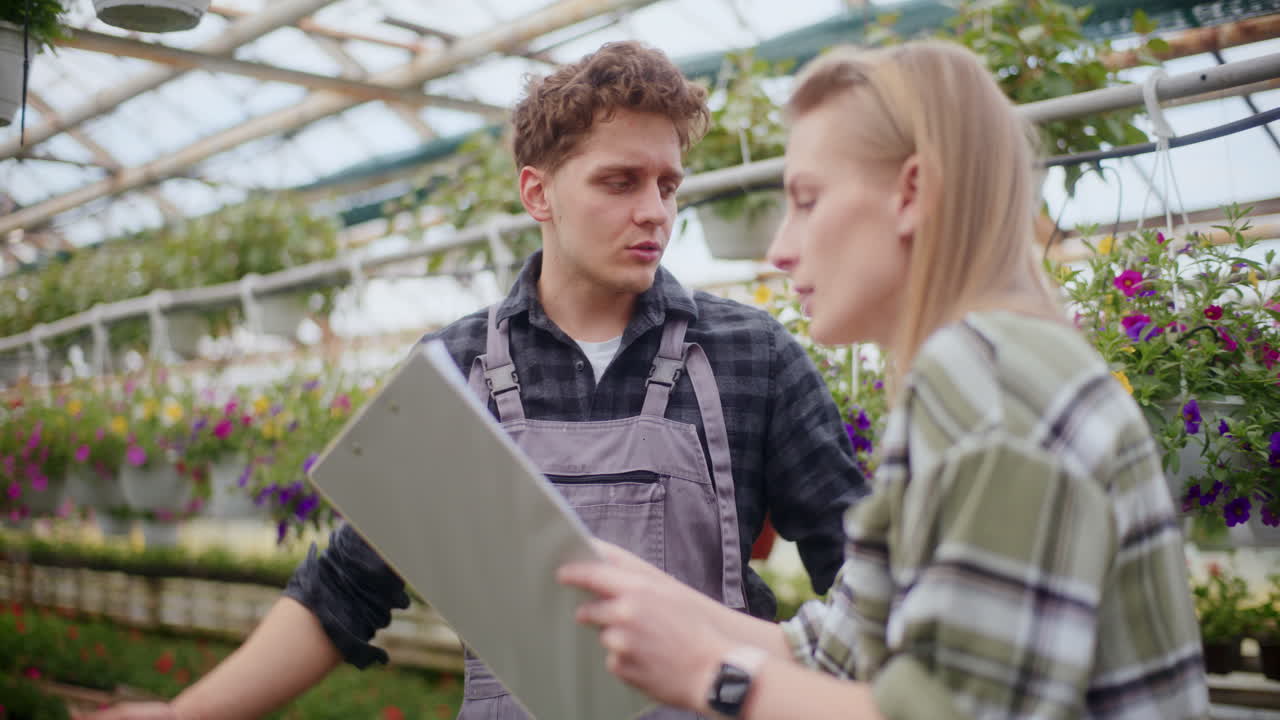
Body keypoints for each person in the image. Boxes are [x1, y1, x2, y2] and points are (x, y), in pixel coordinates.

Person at [80, 41, 867, 720]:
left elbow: (868, 587)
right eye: (619, 181)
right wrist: (184, 713)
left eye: (667, 184)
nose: (655, 211)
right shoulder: (458, 370)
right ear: (537, 193)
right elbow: (347, 585)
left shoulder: (749, 355)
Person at [558, 40, 1210, 719]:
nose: (780, 250)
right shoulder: (982, 371)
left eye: (807, 200)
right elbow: (835, 651)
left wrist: (708, 675)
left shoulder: (991, 386)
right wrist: (641, 594)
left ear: (912, 194)